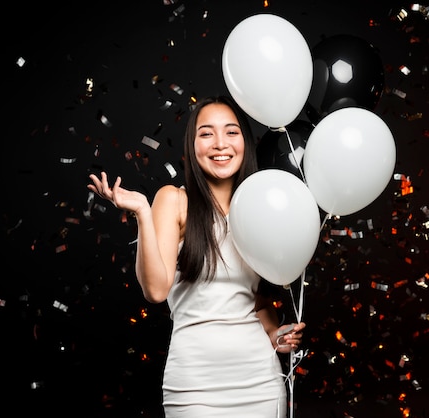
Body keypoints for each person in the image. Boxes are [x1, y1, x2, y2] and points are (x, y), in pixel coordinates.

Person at [88, 95, 305, 417]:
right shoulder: (173, 199)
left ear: (245, 142)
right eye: (206, 134)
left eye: (231, 132)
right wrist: (142, 212)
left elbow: (253, 298)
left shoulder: (261, 207)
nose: (220, 144)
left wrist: (276, 335)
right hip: (194, 384)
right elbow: (156, 291)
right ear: (192, 145)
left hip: (260, 380)